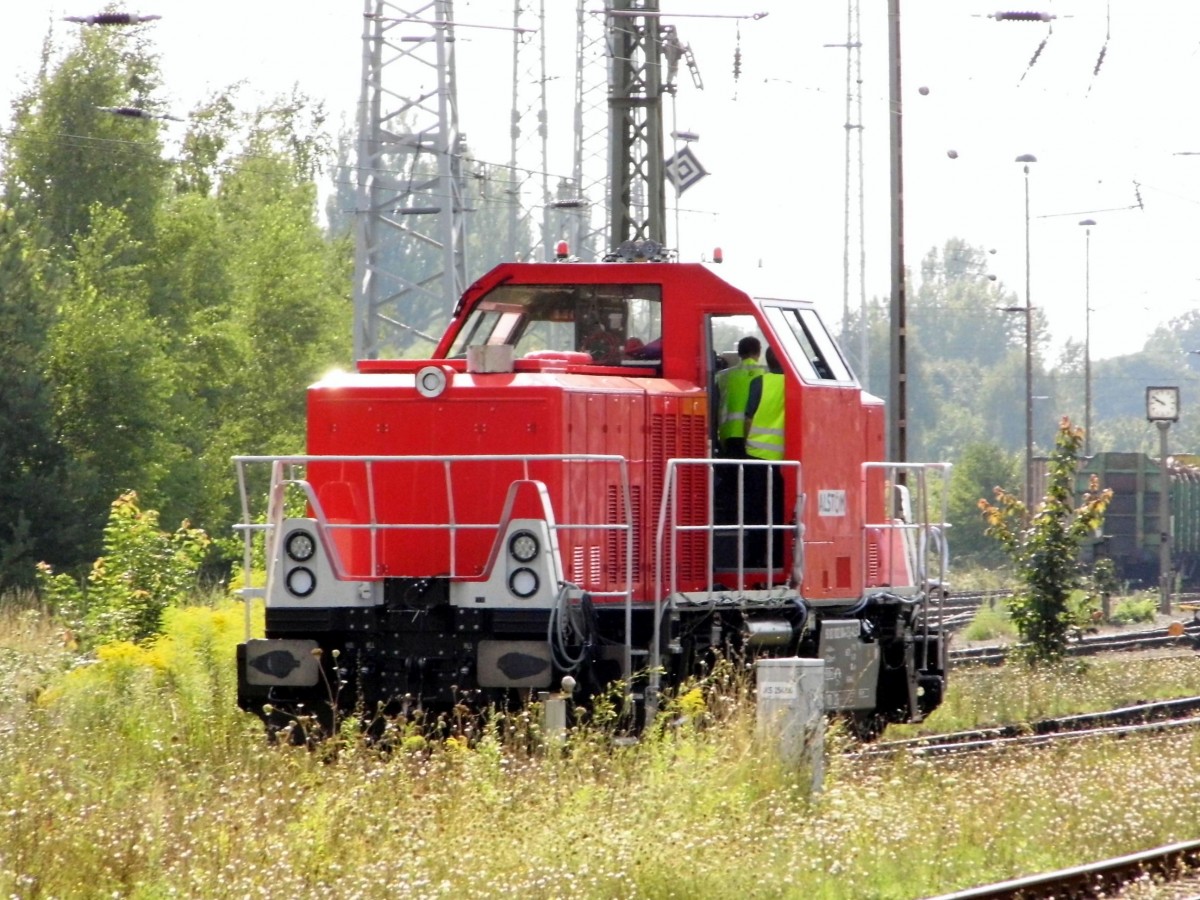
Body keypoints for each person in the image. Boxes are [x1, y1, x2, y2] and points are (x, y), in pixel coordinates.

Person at [743, 346, 786, 569]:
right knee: (780, 509)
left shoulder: (759, 383)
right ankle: (779, 556)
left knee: (756, 510)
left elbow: (748, 419)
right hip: (785, 458)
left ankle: (754, 557)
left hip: (757, 456)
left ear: (767, 361)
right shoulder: (795, 384)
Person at [714, 335, 764, 458]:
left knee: (733, 475)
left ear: (739, 354)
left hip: (729, 433)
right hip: (755, 433)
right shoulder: (765, 373)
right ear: (758, 352)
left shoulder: (722, 376)